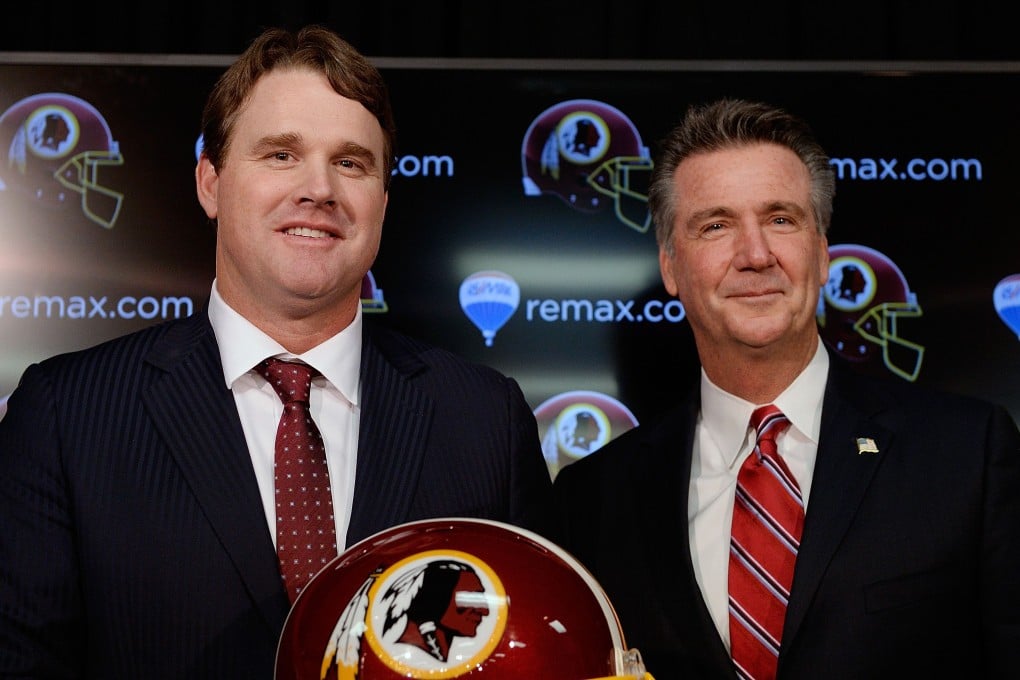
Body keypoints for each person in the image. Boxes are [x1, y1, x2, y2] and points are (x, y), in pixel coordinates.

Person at [0, 25, 552, 679]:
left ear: (381, 199)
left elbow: (542, 654)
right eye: (281, 155)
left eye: (351, 162)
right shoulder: (69, 414)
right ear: (210, 181)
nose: (318, 188)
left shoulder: (485, 418)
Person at [552, 98, 1020, 679]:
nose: (755, 255)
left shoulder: (965, 456)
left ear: (822, 254)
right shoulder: (593, 499)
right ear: (671, 266)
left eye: (781, 219)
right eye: (716, 225)